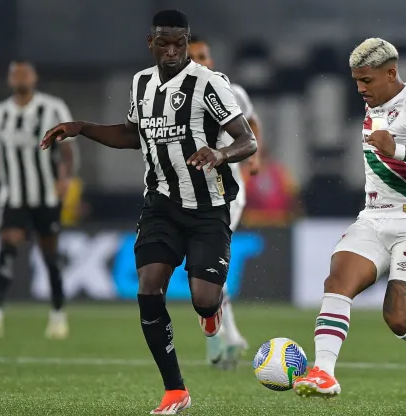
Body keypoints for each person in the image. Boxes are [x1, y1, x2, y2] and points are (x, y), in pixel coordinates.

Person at [40, 10, 257, 414]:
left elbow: (248, 140)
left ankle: (211, 314)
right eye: (164, 43)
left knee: (204, 299)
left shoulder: (210, 84)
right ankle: (175, 390)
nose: (172, 51)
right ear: (151, 42)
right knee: (148, 287)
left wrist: (221, 153)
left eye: (179, 43)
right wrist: (82, 127)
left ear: (188, 42)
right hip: (160, 204)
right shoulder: (141, 83)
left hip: (208, 208)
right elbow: (130, 135)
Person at [293, 38, 406, 416]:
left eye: (366, 80)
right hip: (373, 216)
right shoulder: (374, 104)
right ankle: (323, 372)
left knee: (398, 317)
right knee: (338, 280)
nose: (360, 89)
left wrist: (397, 150)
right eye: (356, 81)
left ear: (391, 73)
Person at [0, 60, 74, 340]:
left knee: (50, 256)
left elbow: (67, 151)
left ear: (34, 77)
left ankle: (58, 315)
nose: (19, 78)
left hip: (45, 196)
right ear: (8, 80)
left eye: (24, 73)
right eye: (14, 74)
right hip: (12, 197)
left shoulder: (52, 108)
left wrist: (65, 178)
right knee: (7, 246)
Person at [187, 35, 263, 369]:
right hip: (186, 194)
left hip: (226, 192)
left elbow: (252, 121)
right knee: (201, 264)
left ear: (211, 59)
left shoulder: (231, 91)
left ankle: (222, 335)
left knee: (209, 261)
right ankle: (227, 333)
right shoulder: (174, 96)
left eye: (203, 55)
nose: (199, 61)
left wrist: (254, 160)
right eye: (193, 57)